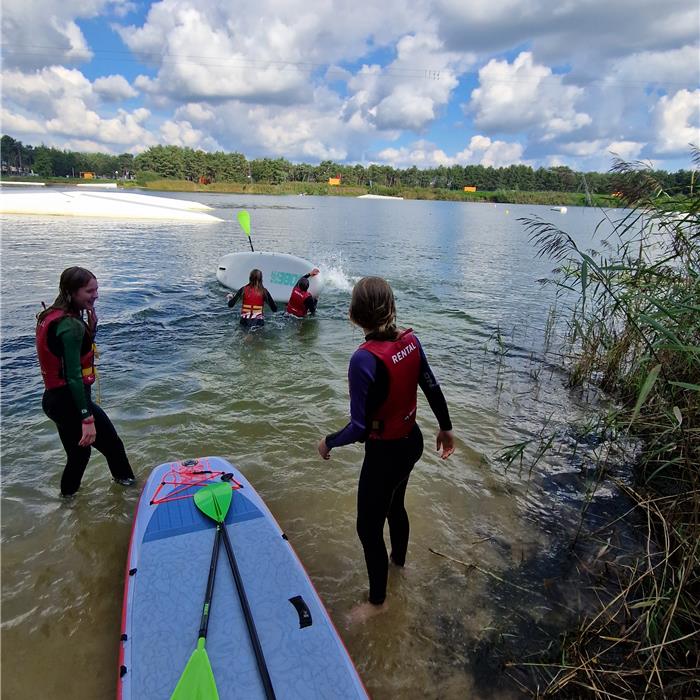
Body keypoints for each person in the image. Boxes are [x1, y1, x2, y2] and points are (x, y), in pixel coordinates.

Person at [317, 276, 455, 622]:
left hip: (386, 455)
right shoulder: (411, 341)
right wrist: (447, 428)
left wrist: (328, 441)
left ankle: (378, 603)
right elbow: (432, 387)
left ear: (353, 316)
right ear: (392, 308)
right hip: (413, 443)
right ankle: (399, 565)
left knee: (367, 528)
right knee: (396, 506)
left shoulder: (362, 360)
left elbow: (360, 429)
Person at [36, 266, 135, 496]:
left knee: (78, 456)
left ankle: (67, 502)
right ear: (71, 292)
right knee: (112, 446)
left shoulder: (52, 314)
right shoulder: (71, 326)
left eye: (97, 290)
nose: (96, 295)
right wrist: (86, 417)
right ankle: (131, 494)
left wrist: (91, 329)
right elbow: (72, 375)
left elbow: (64, 353)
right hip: (70, 401)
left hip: (54, 400)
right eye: (89, 291)